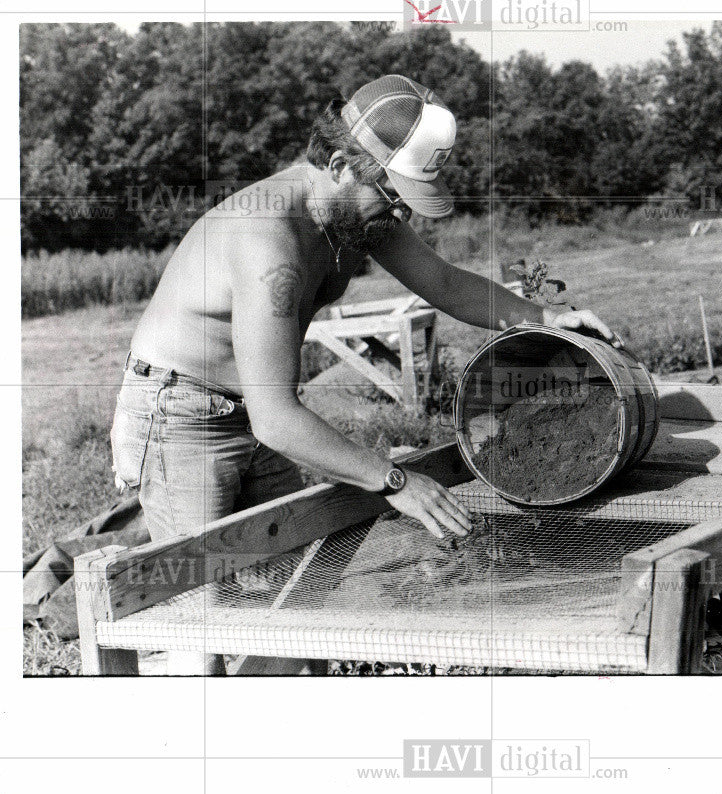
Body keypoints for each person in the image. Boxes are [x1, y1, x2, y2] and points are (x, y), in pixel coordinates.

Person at [110, 74, 619, 675]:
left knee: (297, 600)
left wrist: (549, 317)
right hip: (181, 416)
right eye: (394, 193)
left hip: (250, 412)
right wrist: (396, 481)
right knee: (205, 622)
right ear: (339, 163)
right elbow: (279, 418)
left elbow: (447, 284)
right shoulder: (268, 236)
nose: (401, 210)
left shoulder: (359, 216)